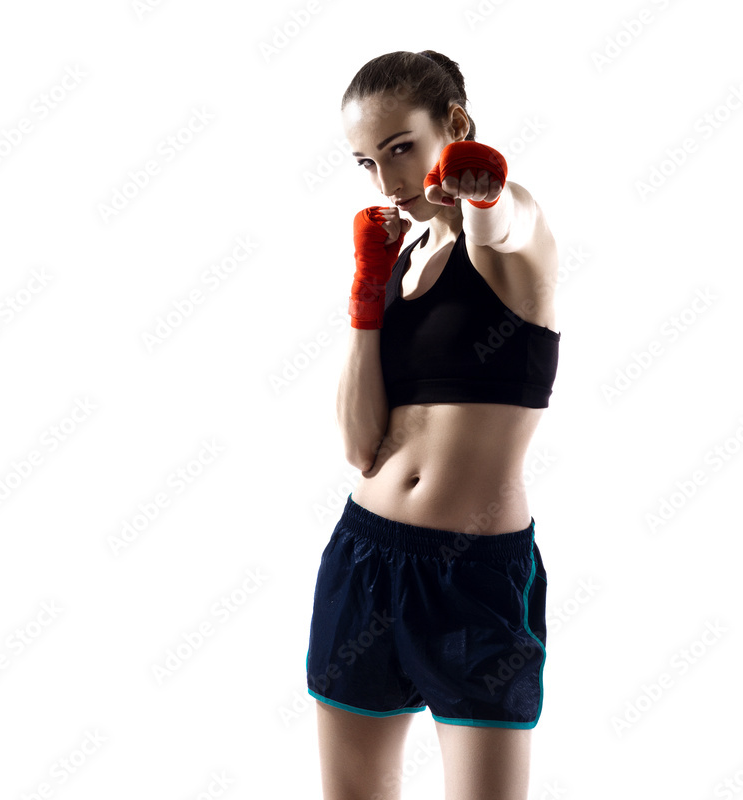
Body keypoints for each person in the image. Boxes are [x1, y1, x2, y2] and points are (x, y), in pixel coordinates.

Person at [306, 50, 561, 800]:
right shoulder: (402, 258)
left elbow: (504, 223)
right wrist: (367, 294)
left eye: (400, 149)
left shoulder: (514, 243)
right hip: (363, 556)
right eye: (366, 163)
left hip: (473, 575)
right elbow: (360, 447)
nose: (387, 184)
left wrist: (485, 190)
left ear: (453, 123)